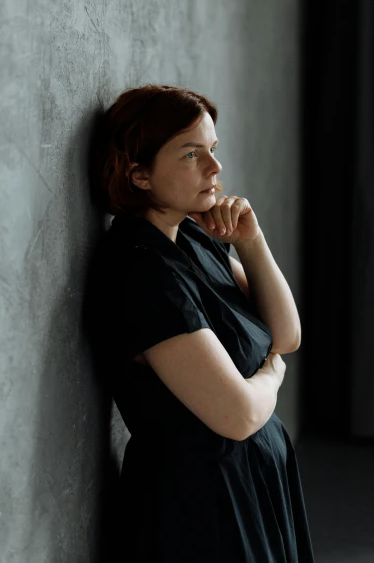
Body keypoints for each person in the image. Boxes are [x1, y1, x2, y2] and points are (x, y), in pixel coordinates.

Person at [85, 84, 315, 562]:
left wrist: (251, 241)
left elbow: (287, 334)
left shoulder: (190, 234)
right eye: (192, 155)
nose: (215, 168)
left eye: (212, 150)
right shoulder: (140, 271)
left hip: (249, 486)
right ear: (139, 174)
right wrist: (272, 374)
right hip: (202, 507)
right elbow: (237, 415)